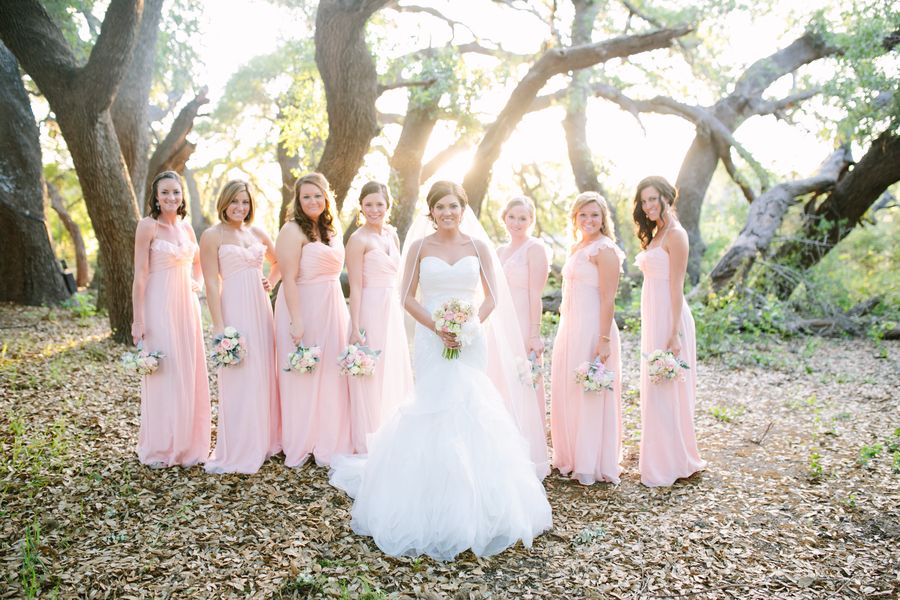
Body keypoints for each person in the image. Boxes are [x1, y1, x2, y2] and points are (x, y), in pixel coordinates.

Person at [329, 181, 552, 561]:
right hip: (433, 338)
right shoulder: (419, 247)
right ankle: (431, 497)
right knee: (433, 404)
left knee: (471, 405)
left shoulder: (478, 246)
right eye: (439, 207)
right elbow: (405, 296)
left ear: (463, 208)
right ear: (430, 211)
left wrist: (469, 327)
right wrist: (437, 327)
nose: (446, 212)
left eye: (452, 206)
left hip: (469, 338)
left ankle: (478, 504)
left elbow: (493, 297)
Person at [199, 179, 281, 474]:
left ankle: (265, 440)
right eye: (235, 201)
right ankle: (239, 445)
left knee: (262, 373)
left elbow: (280, 261)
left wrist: (270, 281)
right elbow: (210, 281)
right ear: (224, 202)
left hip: (261, 308)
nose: (240, 207)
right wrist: (219, 325)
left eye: (245, 202)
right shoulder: (212, 235)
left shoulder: (257, 232)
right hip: (233, 307)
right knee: (238, 376)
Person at [131, 170, 210, 467]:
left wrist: (197, 283)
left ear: (182, 196)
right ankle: (163, 444)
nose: (171, 198)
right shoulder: (147, 226)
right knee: (166, 370)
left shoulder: (188, 229)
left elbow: (199, 262)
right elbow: (140, 275)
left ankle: (189, 443)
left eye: (175, 192)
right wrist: (137, 320)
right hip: (158, 304)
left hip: (187, 307)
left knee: (188, 369)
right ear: (155, 196)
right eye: (165, 192)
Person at [633, 176, 706, 487]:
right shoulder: (656, 232)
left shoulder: (676, 235)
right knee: (656, 387)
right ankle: (659, 456)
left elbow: (677, 287)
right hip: (654, 316)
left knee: (668, 387)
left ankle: (673, 461)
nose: (648, 205)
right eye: (644, 200)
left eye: (653, 199)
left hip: (670, 317)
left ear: (667, 197)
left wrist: (674, 332)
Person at [274, 173, 351, 467]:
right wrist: (296, 320)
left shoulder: (332, 229)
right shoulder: (292, 230)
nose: (312, 201)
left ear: (326, 197)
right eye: (306, 196)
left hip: (331, 305)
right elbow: (288, 279)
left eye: (317, 195)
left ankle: (328, 436)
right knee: (302, 373)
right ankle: (301, 440)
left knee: (331, 371)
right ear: (298, 200)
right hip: (302, 305)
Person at [550, 192, 624, 485]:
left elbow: (608, 299)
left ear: (603, 218)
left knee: (590, 391)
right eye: (583, 215)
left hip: (595, 327)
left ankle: (591, 461)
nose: (589, 220)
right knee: (570, 389)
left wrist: (604, 338)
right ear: (575, 218)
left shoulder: (605, 250)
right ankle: (571, 454)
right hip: (571, 326)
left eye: (594, 214)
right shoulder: (578, 246)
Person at [344, 181, 413, 453]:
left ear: (388, 206)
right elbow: (357, 286)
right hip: (369, 308)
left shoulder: (392, 236)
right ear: (361, 206)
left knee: (392, 366)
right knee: (371, 371)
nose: (374, 210)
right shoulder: (358, 239)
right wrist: (356, 325)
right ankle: (368, 436)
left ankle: (392, 430)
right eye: (368, 204)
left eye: (379, 204)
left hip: (391, 310)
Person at [497, 196, 551, 431]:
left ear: (530, 221)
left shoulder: (535, 248)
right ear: (504, 218)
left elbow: (535, 295)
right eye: (512, 217)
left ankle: (528, 440)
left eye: (522, 218)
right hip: (500, 322)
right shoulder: (499, 251)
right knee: (500, 377)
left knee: (522, 378)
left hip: (522, 321)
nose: (516, 223)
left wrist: (534, 334)